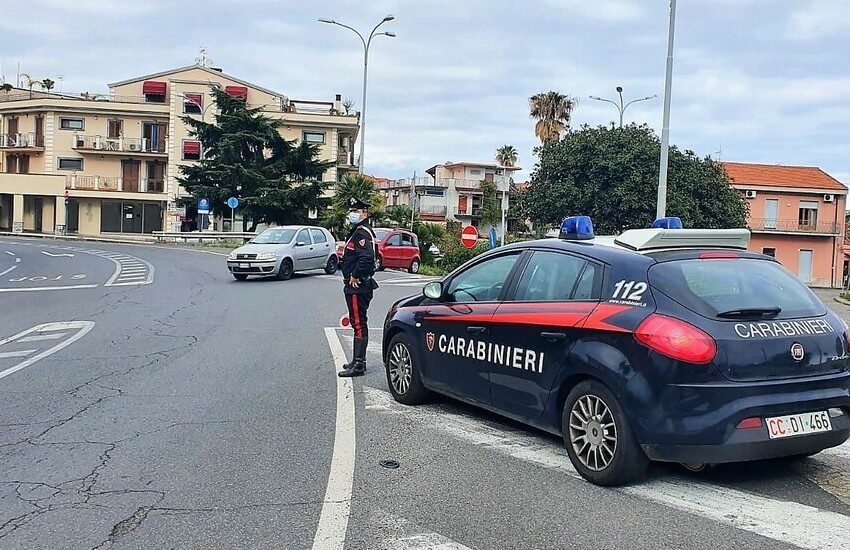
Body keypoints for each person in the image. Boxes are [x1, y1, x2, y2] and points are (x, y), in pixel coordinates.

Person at [338, 197, 378, 377]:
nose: (352, 214)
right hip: (359, 285)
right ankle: (357, 360)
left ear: (364, 213)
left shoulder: (362, 233)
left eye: (356, 211)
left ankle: (359, 364)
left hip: (358, 285)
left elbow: (367, 258)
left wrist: (355, 275)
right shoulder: (359, 231)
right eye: (351, 211)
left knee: (359, 323)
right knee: (358, 322)